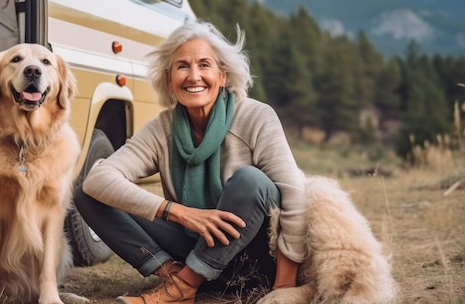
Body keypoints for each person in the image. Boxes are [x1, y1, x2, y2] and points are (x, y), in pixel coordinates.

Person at [74, 20, 307, 304]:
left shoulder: (257, 117)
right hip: (191, 247)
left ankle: (185, 285)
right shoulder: (162, 128)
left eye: (204, 65)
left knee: (251, 181)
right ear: (169, 79)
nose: (193, 76)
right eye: (182, 66)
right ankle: (178, 280)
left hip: (256, 258)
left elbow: (295, 195)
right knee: (86, 194)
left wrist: (285, 285)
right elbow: (99, 179)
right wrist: (179, 212)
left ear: (223, 76)